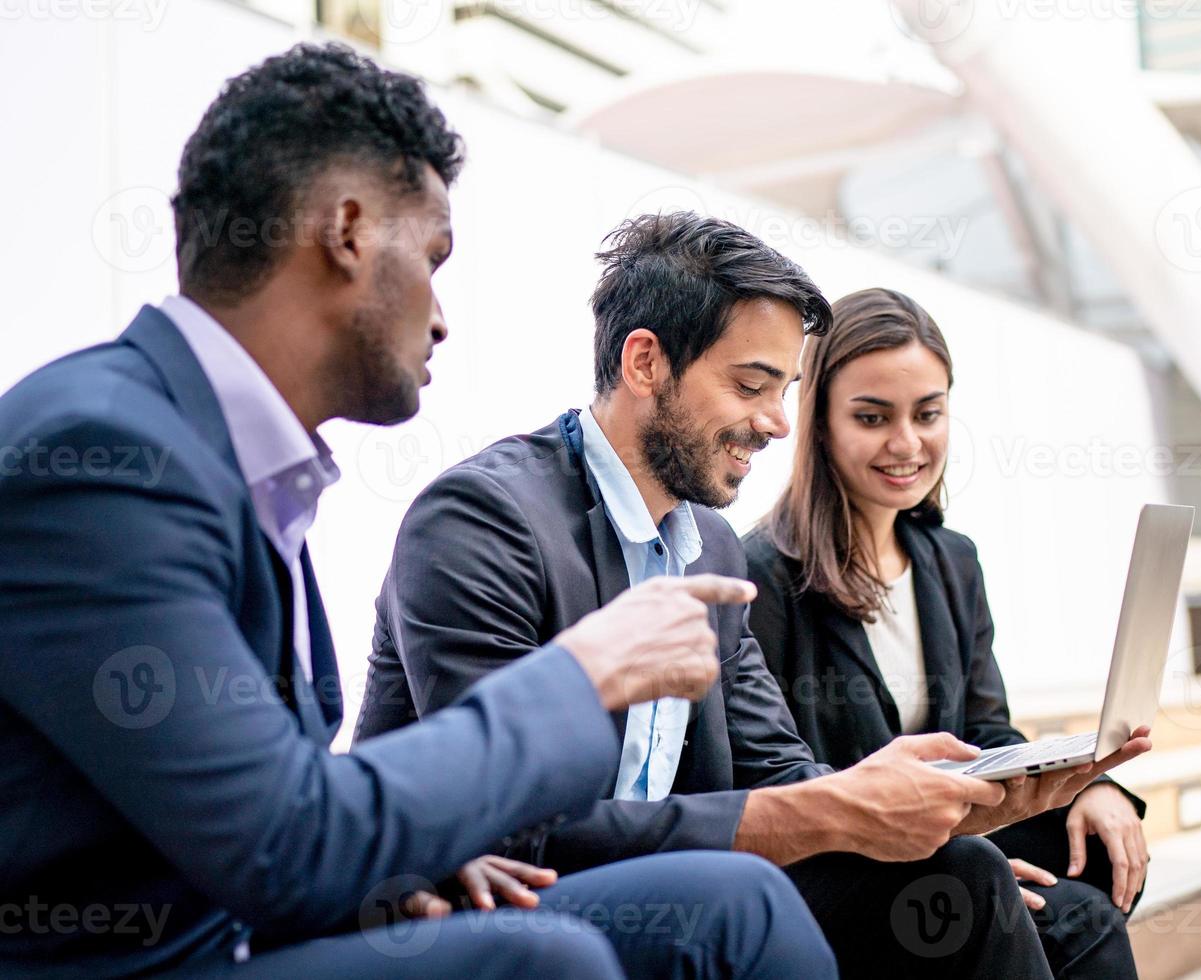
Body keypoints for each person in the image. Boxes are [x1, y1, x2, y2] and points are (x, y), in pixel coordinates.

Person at [0, 43, 838, 980]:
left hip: (257, 922)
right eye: (434, 259)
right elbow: (282, 840)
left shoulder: (229, 463)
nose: (441, 315)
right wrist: (584, 672)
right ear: (349, 231)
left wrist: (412, 866)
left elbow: (262, 805)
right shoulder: (105, 458)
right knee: (544, 962)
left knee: (736, 908)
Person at [355, 211, 1153, 978]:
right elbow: (513, 823)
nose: (776, 423)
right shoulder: (484, 520)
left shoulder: (707, 541)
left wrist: (947, 807)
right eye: (752, 386)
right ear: (646, 363)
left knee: (970, 878)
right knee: (822, 898)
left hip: (676, 880)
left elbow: (777, 770)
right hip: (508, 895)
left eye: (785, 390)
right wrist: (837, 810)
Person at [743, 286, 1150, 978]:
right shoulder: (765, 575)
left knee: (1097, 853)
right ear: (819, 423)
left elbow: (989, 734)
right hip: (842, 868)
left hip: (949, 843)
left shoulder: (950, 559)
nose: (906, 443)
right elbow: (786, 789)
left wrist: (1092, 786)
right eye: (872, 417)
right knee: (1029, 903)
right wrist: (965, 855)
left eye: (927, 414)